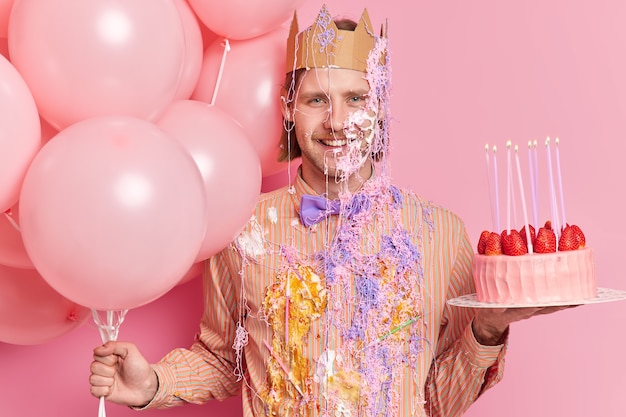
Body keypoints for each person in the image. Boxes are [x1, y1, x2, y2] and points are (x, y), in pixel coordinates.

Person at [89, 5, 568, 416]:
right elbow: (223, 358)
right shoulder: (241, 227)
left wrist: (486, 329)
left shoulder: (440, 235)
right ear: (288, 111)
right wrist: (153, 384)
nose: (336, 121)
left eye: (355, 99)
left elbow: (438, 401)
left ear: (379, 109)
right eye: (317, 100)